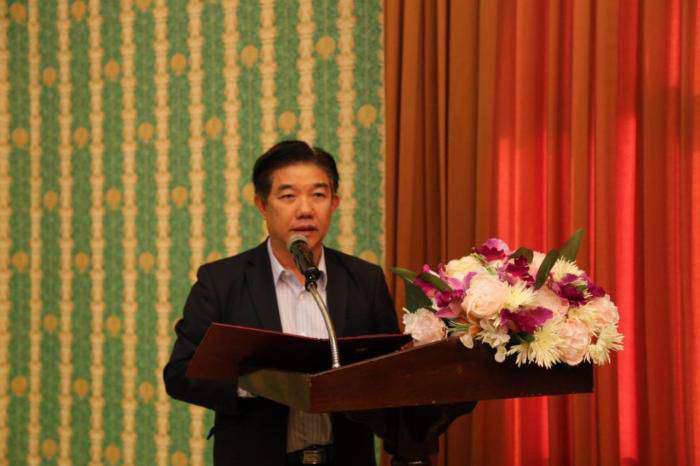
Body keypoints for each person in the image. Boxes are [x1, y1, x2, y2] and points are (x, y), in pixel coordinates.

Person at [163, 140, 399, 466]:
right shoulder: (222, 281)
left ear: (335, 203)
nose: (305, 209)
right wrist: (257, 384)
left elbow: (391, 373)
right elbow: (180, 372)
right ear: (262, 205)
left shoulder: (365, 280)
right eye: (288, 196)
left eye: (318, 195)